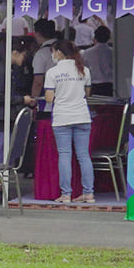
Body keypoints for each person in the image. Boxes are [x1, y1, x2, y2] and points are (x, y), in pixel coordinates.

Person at [43, 39, 95, 205]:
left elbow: (49, 98)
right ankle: (89, 194)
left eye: (53, 51)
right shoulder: (84, 70)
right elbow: (87, 94)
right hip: (82, 116)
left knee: (65, 155)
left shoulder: (52, 72)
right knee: (84, 156)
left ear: (58, 52)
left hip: (62, 118)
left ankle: (66, 195)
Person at [83, 24, 116, 97]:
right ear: (109, 37)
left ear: (95, 37)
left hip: (94, 86)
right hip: (110, 86)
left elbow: (85, 69)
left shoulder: (87, 53)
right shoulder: (113, 53)